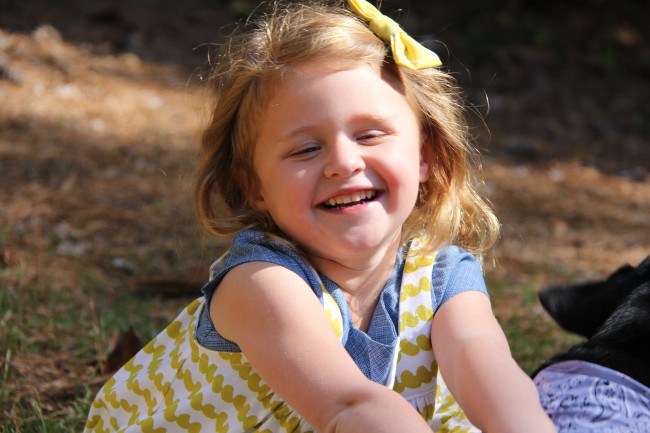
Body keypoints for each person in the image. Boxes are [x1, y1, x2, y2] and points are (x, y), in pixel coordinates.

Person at [84, 1, 557, 432]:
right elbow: (349, 408)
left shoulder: (443, 276)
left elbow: (489, 372)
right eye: (306, 149)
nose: (343, 163)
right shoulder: (261, 282)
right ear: (255, 187)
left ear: (425, 156)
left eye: (369, 135)